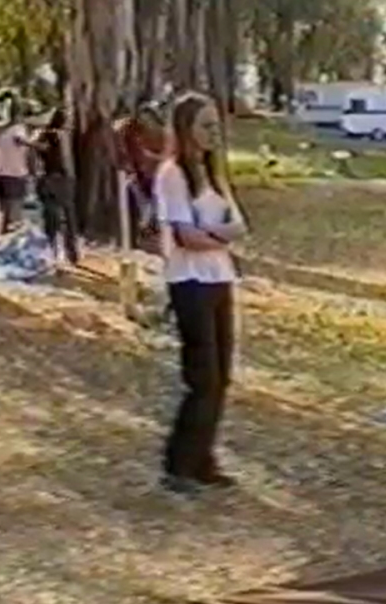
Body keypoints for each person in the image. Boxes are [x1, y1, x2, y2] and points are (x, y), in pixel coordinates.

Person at [155, 92, 247, 495]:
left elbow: (239, 226)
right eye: (205, 125)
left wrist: (214, 236)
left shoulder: (214, 175)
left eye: (216, 125)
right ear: (185, 130)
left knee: (221, 376)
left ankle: (203, 459)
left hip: (219, 279)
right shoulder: (172, 175)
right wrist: (218, 236)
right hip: (188, 282)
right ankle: (179, 465)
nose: (213, 133)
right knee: (202, 377)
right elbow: (186, 237)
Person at [115, 102, 167, 246]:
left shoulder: (162, 133)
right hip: (139, 175)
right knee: (142, 202)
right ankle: (144, 230)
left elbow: (167, 155)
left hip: (156, 175)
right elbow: (126, 151)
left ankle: (153, 229)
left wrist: (151, 158)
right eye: (143, 117)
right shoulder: (132, 132)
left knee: (154, 203)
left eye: (148, 117)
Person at [33, 108, 79, 265]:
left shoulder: (46, 134)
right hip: (63, 179)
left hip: (51, 178)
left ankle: (53, 251)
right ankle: (71, 252)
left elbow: (40, 151)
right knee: (69, 217)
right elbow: (65, 160)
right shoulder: (62, 135)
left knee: (51, 219)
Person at [0, 99, 31, 234]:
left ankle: (5, 246)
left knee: (5, 216)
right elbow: (21, 140)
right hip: (16, 176)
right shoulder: (19, 130)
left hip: (1, 176)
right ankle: (13, 250)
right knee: (15, 220)